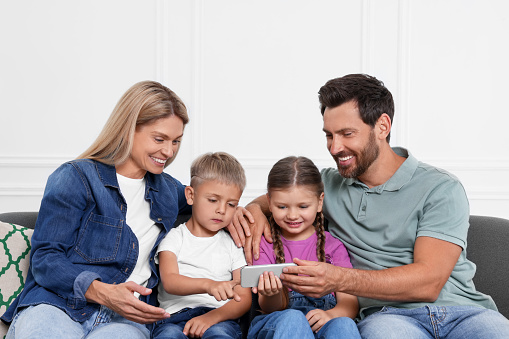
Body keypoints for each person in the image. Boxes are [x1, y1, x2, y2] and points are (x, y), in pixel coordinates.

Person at [232, 74, 509, 338]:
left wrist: (338, 278)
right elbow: (281, 198)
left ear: (382, 127)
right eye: (329, 135)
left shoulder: (440, 188)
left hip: (465, 313)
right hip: (388, 318)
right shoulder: (328, 185)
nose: (335, 147)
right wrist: (255, 210)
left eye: (347, 134)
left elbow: (429, 282)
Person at [1, 80, 192, 338]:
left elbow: (215, 199)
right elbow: (45, 259)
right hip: (58, 306)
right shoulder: (76, 177)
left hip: (125, 321)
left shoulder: (169, 191)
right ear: (128, 129)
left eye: (176, 141)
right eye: (159, 139)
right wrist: (103, 291)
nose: (168, 151)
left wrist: (257, 210)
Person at [247, 156, 360, 339]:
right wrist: (271, 293)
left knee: (344, 324)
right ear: (269, 202)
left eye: (303, 206)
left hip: (323, 321)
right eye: (282, 206)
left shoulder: (334, 246)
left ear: (319, 202)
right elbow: (268, 307)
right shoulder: (264, 243)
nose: (292, 215)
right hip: (277, 321)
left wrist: (331, 314)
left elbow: (349, 303)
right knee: (293, 318)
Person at [152, 152, 252, 339]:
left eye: (231, 204)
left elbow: (243, 298)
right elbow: (170, 281)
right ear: (191, 195)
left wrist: (211, 318)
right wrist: (209, 285)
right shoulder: (174, 237)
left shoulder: (233, 245)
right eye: (213, 200)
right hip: (173, 318)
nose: (221, 210)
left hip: (219, 319)